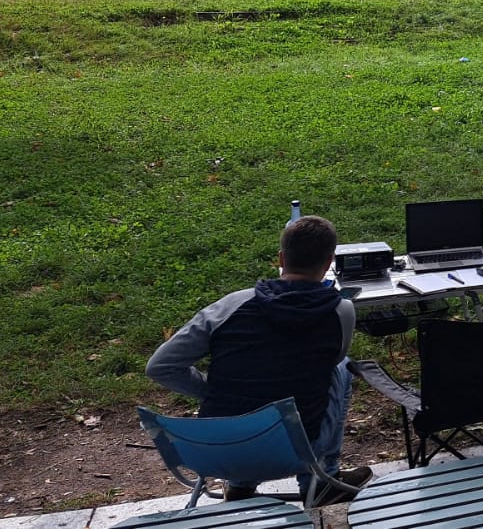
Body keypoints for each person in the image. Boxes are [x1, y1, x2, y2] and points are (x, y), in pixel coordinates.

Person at [146, 215, 370, 503]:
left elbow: (160, 366)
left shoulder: (230, 305)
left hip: (218, 452)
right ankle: (323, 478)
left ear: (281, 258)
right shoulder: (342, 311)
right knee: (341, 367)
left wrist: (209, 389)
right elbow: (331, 362)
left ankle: (240, 484)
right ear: (329, 263)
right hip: (298, 452)